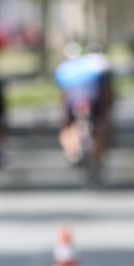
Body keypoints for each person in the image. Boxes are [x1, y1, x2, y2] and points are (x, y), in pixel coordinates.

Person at [55, 42, 115, 172]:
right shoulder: (96, 65)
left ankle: (73, 153)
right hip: (93, 98)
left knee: (67, 127)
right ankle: (97, 157)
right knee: (101, 126)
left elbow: (63, 94)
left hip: (72, 101)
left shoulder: (63, 69)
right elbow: (106, 91)